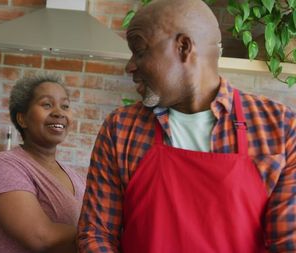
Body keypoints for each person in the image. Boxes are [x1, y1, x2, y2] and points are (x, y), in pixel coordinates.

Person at [77, 0, 296, 252]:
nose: (130, 66)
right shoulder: (121, 128)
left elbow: (288, 243)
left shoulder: (278, 127)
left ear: (183, 47)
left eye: (139, 51)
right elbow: (96, 233)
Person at [0, 74, 85, 253]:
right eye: (47, 104)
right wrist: (106, 235)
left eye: (65, 106)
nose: (59, 112)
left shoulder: (77, 179)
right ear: (22, 119)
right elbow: (40, 237)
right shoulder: (4, 166)